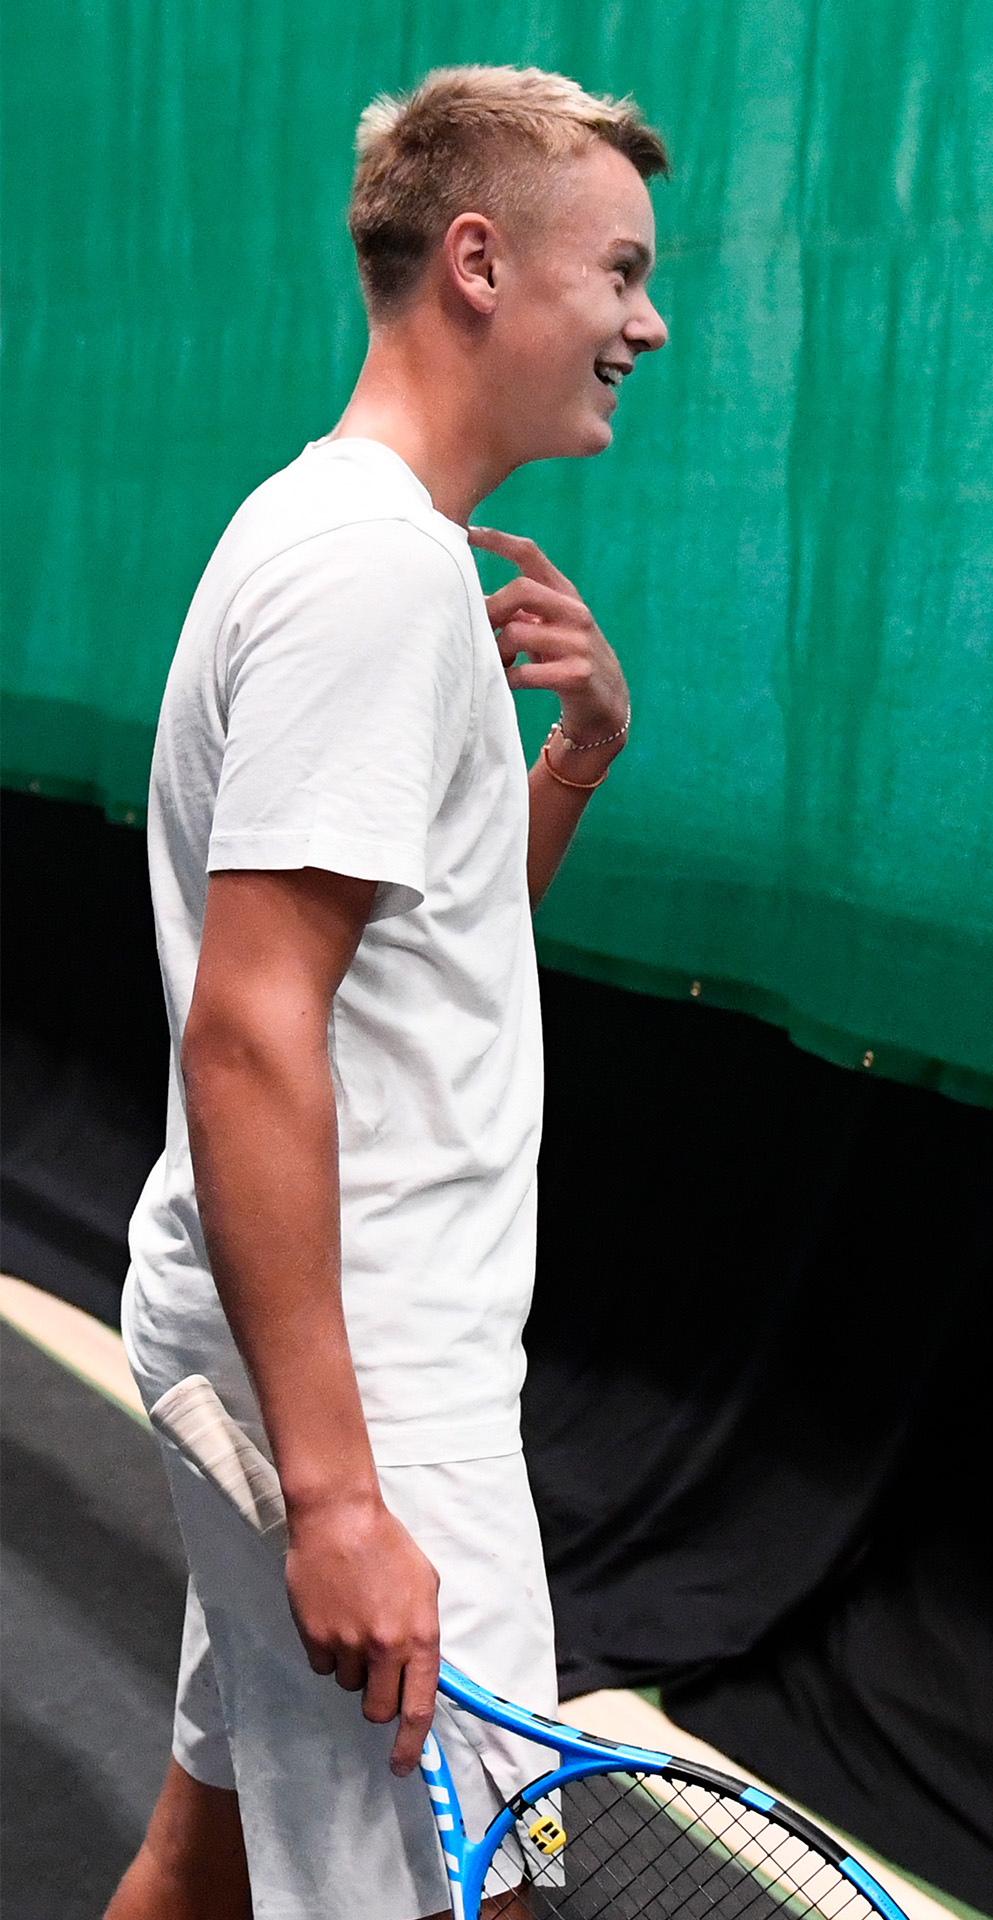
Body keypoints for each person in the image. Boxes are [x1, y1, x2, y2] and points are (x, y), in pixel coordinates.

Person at [105, 65, 669, 1920]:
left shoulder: (353, 538)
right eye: (624, 273)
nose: (646, 324)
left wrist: (569, 764)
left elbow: (404, 969)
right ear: (482, 262)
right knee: (471, 1899)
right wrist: (344, 1497)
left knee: (204, 1860)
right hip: (365, 1386)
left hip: (305, 1350)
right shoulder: (371, 572)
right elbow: (251, 1025)